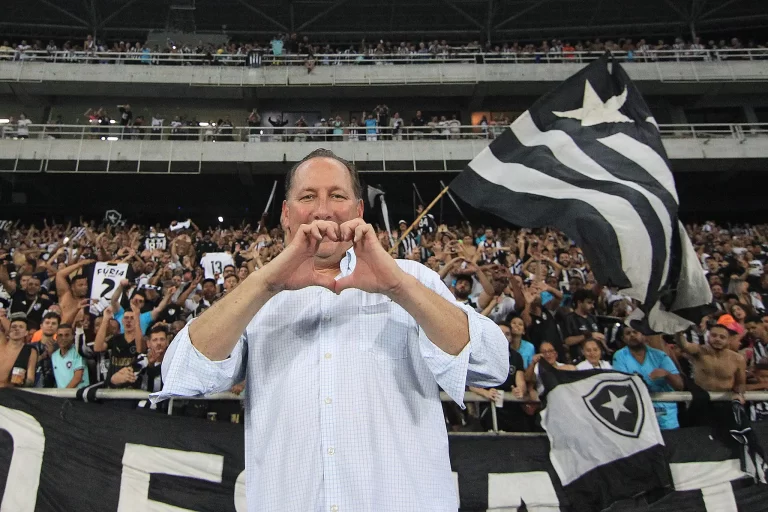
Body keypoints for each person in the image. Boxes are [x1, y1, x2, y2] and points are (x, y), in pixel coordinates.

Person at [152, 148, 509, 511]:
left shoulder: (412, 279)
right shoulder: (257, 296)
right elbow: (182, 373)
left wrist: (399, 288)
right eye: (308, 196)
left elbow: (492, 364)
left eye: (337, 196)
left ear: (358, 211)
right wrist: (264, 285)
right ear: (286, 214)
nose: (323, 210)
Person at [613, 324, 683, 430]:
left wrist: (667, 374)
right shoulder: (619, 356)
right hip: (638, 412)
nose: (632, 335)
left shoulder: (660, 356)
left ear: (643, 335)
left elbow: (680, 386)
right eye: (628, 333)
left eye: (635, 332)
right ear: (623, 339)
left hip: (666, 413)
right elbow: (621, 386)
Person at [675, 323, 747, 407]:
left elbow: (740, 384)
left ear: (728, 340)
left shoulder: (737, 359)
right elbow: (683, 345)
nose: (717, 339)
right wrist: (678, 329)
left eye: (722, 337)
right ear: (708, 337)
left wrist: (739, 394)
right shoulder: (699, 351)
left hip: (725, 401)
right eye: (714, 335)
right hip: (701, 399)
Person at [0, 314, 37, 387]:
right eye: (14, 326)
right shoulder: (1, 342)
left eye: (21, 327)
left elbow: (30, 379)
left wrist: (23, 382)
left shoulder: (29, 351)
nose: (16, 329)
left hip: (11, 391)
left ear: (26, 332)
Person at [51, 323, 89, 389]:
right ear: (56, 338)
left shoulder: (78, 352)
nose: (63, 338)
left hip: (78, 393)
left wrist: (64, 392)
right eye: (60, 335)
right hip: (61, 394)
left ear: (72, 337)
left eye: (67, 335)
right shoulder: (54, 356)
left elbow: (77, 378)